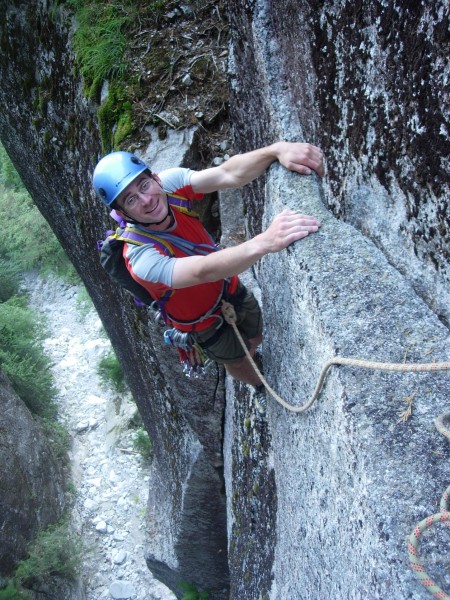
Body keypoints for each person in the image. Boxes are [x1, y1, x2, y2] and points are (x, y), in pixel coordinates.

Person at [93, 142, 323, 404]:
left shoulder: (170, 185)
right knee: (237, 359)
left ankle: (254, 353)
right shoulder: (140, 257)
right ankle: (259, 386)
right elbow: (202, 271)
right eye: (131, 199)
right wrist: (265, 241)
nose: (146, 200)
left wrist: (276, 151)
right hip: (203, 323)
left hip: (228, 288)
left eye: (143, 185)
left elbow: (228, 174)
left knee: (255, 335)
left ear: (154, 178)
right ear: (122, 213)